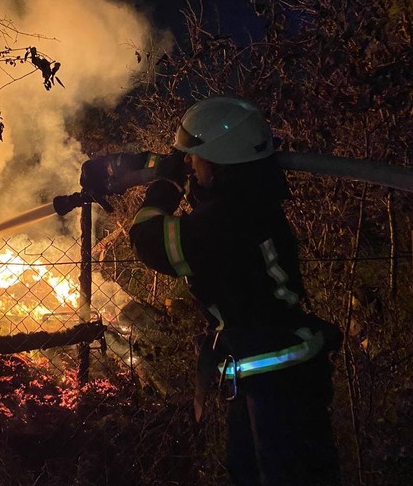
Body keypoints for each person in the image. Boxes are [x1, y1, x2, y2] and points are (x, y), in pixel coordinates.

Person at [83, 96, 342, 485]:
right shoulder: (250, 196)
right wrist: (121, 165)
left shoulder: (224, 222)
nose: (188, 164)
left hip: (275, 389)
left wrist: (165, 186)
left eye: (194, 158)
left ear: (220, 164)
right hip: (278, 374)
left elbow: (148, 240)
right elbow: (187, 168)